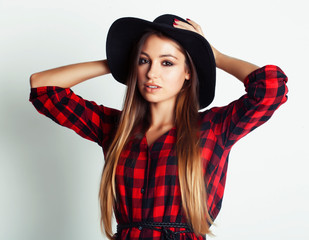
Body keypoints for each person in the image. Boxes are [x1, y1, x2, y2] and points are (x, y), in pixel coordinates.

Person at [29, 14, 288, 240]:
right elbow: (43, 88)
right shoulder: (116, 129)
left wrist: (213, 55)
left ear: (188, 71)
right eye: (144, 61)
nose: (152, 73)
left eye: (167, 62)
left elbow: (270, 88)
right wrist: (119, 61)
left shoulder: (213, 129)